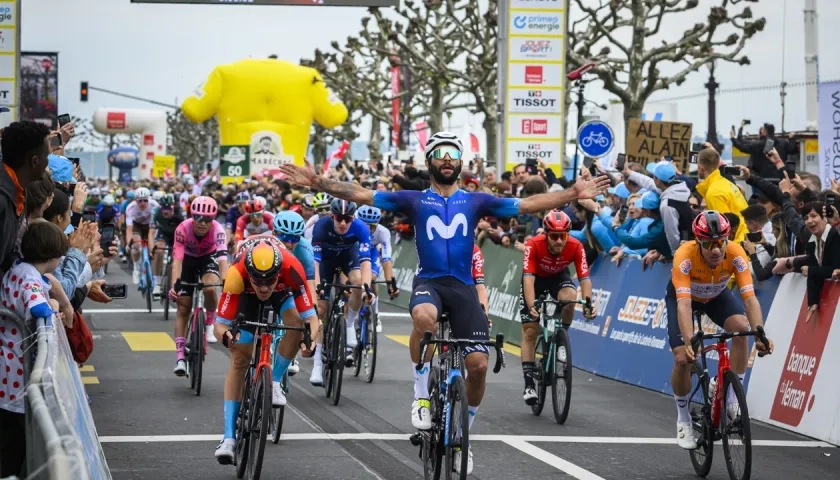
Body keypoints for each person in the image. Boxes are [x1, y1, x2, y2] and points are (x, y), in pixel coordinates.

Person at [279, 131, 609, 475]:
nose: (448, 158)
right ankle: (422, 395)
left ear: (461, 161)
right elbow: (361, 194)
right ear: (429, 161)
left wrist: (573, 194)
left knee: (479, 366)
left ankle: (462, 433)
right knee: (424, 318)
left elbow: (527, 205)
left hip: (463, 288)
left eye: (453, 153)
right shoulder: (413, 199)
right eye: (440, 153)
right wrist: (317, 181)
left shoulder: (477, 200)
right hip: (430, 283)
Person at [667, 211, 773, 450]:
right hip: (684, 298)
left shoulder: (736, 253)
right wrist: (689, 340)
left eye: (720, 242)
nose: (716, 250)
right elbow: (683, 304)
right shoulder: (684, 256)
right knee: (683, 356)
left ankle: (732, 397)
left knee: (740, 327)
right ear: (698, 241)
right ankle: (683, 419)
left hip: (716, 296)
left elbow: (749, 298)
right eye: (708, 243)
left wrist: (760, 334)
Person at [212, 237, 317, 464]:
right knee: (240, 357)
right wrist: (226, 336)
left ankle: (276, 381)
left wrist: (311, 341)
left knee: (297, 324)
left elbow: (312, 318)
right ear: (248, 272)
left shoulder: (292, 267)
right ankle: (228, 437)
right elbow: (218, 325)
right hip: (244, 297)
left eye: (269, 280)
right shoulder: (236, 273)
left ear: (278, 272)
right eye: (258, 280)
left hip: (283, 294)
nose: (263, 287)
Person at [0, 221, 69, 477]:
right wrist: (51, 312)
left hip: (7, 356)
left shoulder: (19, 268)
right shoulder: (30, 277)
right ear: (53, 257)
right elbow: (37, 306)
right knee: (17, 434)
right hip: (16, 366)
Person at [519, 210, 596, 405]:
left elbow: (584, 279)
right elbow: (528, 280)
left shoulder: (576, 246)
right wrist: (531, 305)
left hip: (557, 277)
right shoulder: (533, 244)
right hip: (535, 280)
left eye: (564, 236)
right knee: (530, 331)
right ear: (545, 234)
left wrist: (588, 304)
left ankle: (562, 336)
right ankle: (529, 384)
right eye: (554, 236)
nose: (560, 241)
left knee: (570, 298)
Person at [310, 198, 374, 381]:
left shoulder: (361, 228)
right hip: (325, 263)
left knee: (357, 282)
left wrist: (366, 288)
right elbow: (314, 262)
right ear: (332, 216)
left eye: (348, 219)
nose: (344, 223)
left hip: (348, 259)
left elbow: (366, 263)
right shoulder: (321, 226)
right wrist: (316, 286)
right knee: (321, 309)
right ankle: (317, 364)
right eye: (339, 218)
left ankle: (348, 323)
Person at [169, 197, 229, 374]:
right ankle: (180, 357)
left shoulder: (218, 230)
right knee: (183, 307)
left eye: (208, 219)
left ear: (213, 219)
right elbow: (177, 261)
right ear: (192, 216)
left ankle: (209, 324)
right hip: (187, 260)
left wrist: (226, 282)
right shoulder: (182, 229)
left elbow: (223, 260)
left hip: (207, 259)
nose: (203, 223)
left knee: (210, 287)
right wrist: (175, 286)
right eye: (198, 218)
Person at [0, 121, 52, 274]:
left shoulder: (19, 191)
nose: (49, 163)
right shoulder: (3, 199)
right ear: (35, 161)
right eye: (47, 156)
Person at [272, 210, 317, 376]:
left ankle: (276, 379)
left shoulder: (304, 249)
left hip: (288, 286)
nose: (289, 243)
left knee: (298, 321)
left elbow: (310, 287)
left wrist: (309, 333)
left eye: (295, 238)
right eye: (285, 237)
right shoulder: (262, 242)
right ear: (274, 233)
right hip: (261, 285)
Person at [355, 205, 399, 333]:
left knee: (372, 278)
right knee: (353, 280)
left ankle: (375, 313)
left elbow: (386, 259)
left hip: (371, 252)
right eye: (364, 226)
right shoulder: (351, 228)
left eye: (372, 227)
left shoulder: (383, 232)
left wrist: (390, 283)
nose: (368, 230)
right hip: (353, 251)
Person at [150, 194, 185, 298]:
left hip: (177, 236)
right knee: (158, 251)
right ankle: (157, 284)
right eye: (163, 207)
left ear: (173, 206)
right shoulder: (155, 211)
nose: (165, 210)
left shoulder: (180, 213)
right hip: (163, 235)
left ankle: (178, 283)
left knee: (179, 259)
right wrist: (151, 248)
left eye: (169, 207)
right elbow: (151, 232)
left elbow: (188, 230)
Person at [125, 187, 160, 284]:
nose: (143, 203)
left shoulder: (154, 205)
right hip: (137, 226)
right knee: (136, 246)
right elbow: (129, 229)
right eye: (140, 201)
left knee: (154, 247)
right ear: (135, 200)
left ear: (149, 199)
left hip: (151, 226)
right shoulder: (130, 208)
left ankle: (154, 273)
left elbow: (159, 223)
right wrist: (129, 243)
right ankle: (136, 268)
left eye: (145, 200)